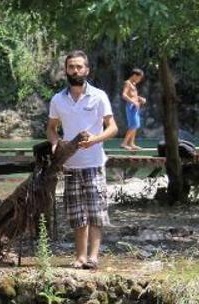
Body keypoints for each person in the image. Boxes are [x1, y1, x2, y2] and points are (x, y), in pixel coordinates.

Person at [47, 50, 118, 270]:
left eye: (79, 67)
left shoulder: (99, 96)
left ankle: (93, 258)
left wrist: (95, 139)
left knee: (96, 212)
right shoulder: (58, 99)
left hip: (94, 164)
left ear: (87, 70)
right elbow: (51, 128)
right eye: (71, 67)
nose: (75, 70)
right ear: (66, 70)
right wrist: (54, 144)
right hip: (70, 166)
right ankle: (79, 257)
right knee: (77, 214)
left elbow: (113, 128)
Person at [120, 68, 146, 151]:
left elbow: (133, 95)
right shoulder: (127, 83)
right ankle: (124, 143)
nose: (140, 80)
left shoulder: (133, 84)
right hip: (131, 107)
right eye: (139, 78)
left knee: (136, 125)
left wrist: (140, 98)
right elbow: (124, 95)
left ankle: (131, 143)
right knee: (133, 125)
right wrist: (133, 102)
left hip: (135, 107)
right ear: (135, 75)